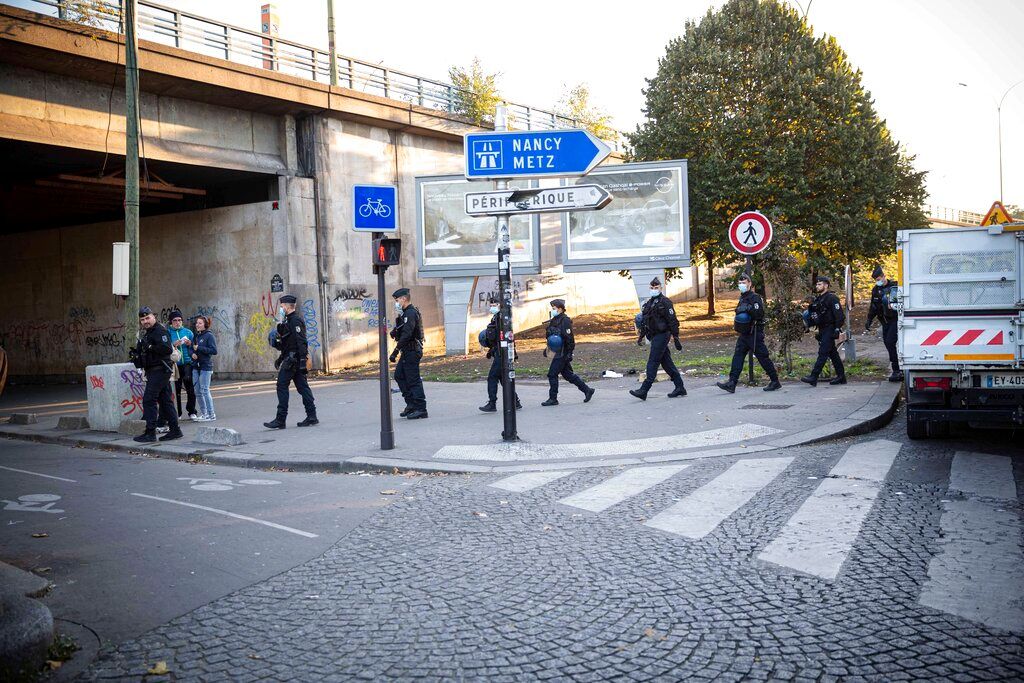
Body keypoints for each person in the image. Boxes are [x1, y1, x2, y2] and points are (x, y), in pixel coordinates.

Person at [716, 272, 782, 393]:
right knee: (738, 357)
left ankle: (775, 381)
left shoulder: (754, 297)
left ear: (749, 283)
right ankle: (732, 383)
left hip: (754, 333)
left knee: (763, 357)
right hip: (744, 334)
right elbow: (739, 311)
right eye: (740, 283)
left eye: (744, 282)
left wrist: (749, 309)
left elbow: (759, 314)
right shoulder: (742, 297)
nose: (741, 284)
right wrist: (739, 310)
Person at [264, 295, 318, 429]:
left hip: (293, 361)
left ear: (287, 307)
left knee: (281, 386)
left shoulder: (295, 321)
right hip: (290, 359)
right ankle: (312, 416)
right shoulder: (287, 321)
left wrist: (302, 361)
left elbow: (302, 342)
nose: (280, 309)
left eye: (282, 306)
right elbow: (286, 344)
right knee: (303, 388)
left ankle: (280, 419)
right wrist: (280, 358)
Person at [630, 277, 687, 400]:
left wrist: (676, 337)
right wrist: (641, 336)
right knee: (666, 363)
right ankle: (680, 387)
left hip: (663, 334)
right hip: (654, 335)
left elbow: (672, 320)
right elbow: (646, 321)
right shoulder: (649, 303)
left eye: (656, 288)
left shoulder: (665, 302)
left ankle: (644, 390)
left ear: (661, 288)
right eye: (652, 288)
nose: (654, 289)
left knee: (653, 361)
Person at [131, 307, 182, 443]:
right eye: (142, 319)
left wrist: (149, 347)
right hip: (154, 370)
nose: (145, 321)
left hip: (159, 370)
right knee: (165, 401)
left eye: (147, 318)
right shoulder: (149, 332)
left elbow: (167, 349)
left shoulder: (160, 330)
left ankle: (150, 433)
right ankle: (175, 430)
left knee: (149, 400)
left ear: (153, 317)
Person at [541, 298, 595, 406]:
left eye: (554, 308)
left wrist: (569, 353)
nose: (552, 310)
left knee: (552, 374)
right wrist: (548, 349)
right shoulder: (554, 320)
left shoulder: (565, 320)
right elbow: (552, 336)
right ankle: (587, 390)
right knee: (567, 375)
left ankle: (553, 398)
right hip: (556, 351)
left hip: (563, 352)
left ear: (560, 309)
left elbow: (570, 338)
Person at [479, 295, 522, 413]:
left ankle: (492, 403)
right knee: (504, 379)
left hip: (502, 354)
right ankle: (515, 402)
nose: (492, 307)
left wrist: (510, 352)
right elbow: (498, 339)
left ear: (500, 305)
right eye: (491, 305)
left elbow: (507, 337)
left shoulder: (502, 319)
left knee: (492, 377)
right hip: (500, 352)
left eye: (495, 305)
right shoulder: (497, 318)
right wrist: (491, 350)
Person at [801, 276, 846, 387]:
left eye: (819, 284)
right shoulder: (819, 299)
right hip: (822, 329)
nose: (817, 286)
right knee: (833, 354)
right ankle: (841, 377)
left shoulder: (832, 298)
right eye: (817, 284)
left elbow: (839, 315)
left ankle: (814, 376)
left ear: (826, 285)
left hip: (830, 328)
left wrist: (837, 328)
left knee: (823, 353)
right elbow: (815, 315)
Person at [390, 288, 427, 419]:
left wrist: (395, 351)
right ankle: (411, 404)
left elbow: (407, 334)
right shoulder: (405, 313)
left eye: (397, 300)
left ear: (404, 299)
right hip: (407, 351)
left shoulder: (410, 313)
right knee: (399, 375)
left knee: (413, 379)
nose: (396, 303)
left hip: (412, 350)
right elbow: (403, 330)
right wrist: (395, 330)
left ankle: (421, 408)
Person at [866, 265, 902, 382]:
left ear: (883, 276)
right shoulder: (875, 290)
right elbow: (873, 306)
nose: (878, 282)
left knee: (890, 342)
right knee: (887, 343)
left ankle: (897, 369)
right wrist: (869, 319)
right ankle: (897, 367)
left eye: (878, 279)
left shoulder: (894, 286)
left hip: (895, 319)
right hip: (884, 321)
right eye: (876, 280)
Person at [166, 311, 197, 420]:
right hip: (175, 364)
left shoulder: (188, 332)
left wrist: (190, 344)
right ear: (171, 322)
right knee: (176, 389)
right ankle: (178, 413)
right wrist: (173, 344)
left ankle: (192, 411)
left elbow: (195, 347)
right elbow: (165, 347)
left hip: (188, 363)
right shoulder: (167, 333)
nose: (177, 322)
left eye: (179, 320)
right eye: (175, 320)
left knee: (190, 387)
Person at [190, 316, 218, 421]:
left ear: (205, 325)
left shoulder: (209, 336)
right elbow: (191, 348)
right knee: (197, 391)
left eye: (200, 323)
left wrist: (200, 348)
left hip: (205, 367)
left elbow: (214, 350)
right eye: (197, 323)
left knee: (205, 390)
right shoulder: (196, 336)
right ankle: (204, 413)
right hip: (195, 367)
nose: (197, 325)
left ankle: (211, 414)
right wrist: (192, 354)